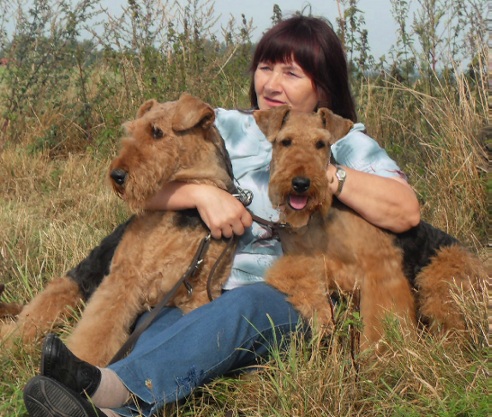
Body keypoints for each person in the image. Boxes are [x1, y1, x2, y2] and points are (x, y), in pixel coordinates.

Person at [23, 15, 420, 417]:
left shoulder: (346, 139)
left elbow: (404, 211)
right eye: (265, 68)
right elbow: (141, 182)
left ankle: (101, 384)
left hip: (287, 297)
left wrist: (319, 170)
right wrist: (200, 194)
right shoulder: (228, 125)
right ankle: (109, 411)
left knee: (246, 305)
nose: (272, 84)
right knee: (166, 328)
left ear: (322, 83)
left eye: (291, 73)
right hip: (201, 292)